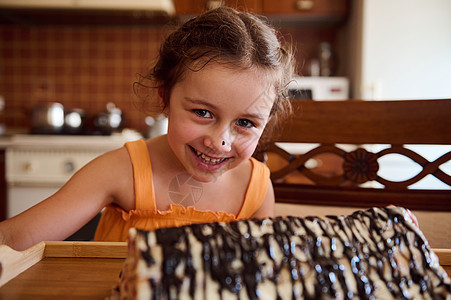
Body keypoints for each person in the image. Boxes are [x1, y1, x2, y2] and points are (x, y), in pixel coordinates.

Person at [0, 7, 296, 251]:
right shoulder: (121, 170)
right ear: (164, 97)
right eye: (203, 112)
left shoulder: (255, 189)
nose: (220, 142)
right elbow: (14, 240)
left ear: (266, 121)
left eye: (245, 123)